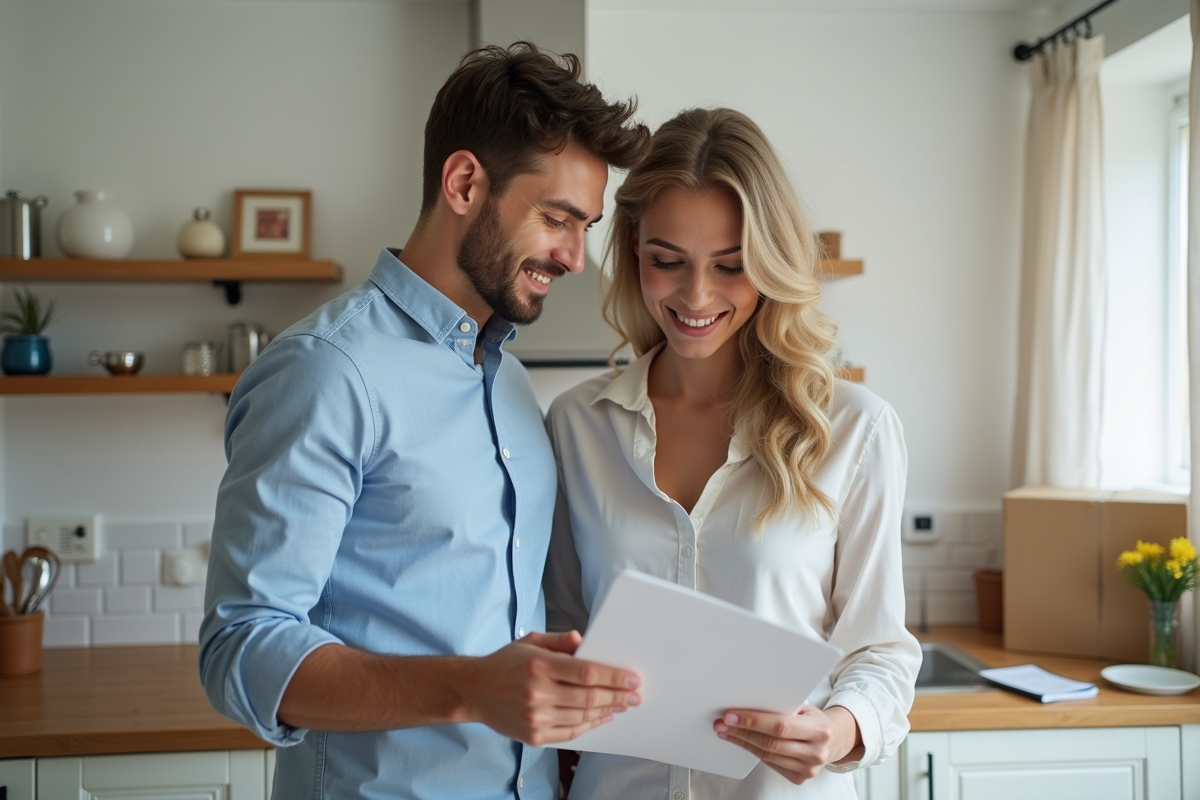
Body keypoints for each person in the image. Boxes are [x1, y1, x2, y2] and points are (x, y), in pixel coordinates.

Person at [199, 42, 651, 800]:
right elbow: (241, 649)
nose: (576, 257)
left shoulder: (507, 377)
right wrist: (472, 689)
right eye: (557, 219)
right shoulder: (327, 370)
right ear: (465, 182)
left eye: (587, 226)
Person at [544, 107, 921, 799]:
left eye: (731, 266)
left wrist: (838, 730)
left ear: (773, 264)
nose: (695, 296)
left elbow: (880, 650)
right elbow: (563, 634)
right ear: (633, 252)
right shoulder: (577, 425)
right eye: (668, 262)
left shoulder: (853, 429)